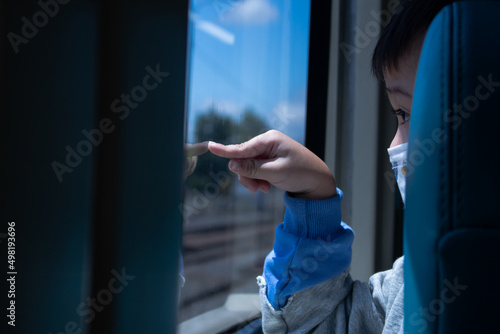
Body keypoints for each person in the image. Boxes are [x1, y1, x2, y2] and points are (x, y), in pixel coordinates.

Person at [208, 0, 454, 332]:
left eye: (406, 114)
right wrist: (314, 196)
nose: (393, 146)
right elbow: (321, 324)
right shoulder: (414, 279)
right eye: (398, 114)